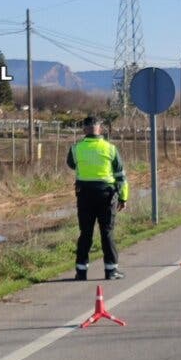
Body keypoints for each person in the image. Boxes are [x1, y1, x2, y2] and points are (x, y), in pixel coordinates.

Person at [67, 115, 129, 281]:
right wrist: (123, 198)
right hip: (107, 196)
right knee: (107, 232)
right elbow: (121, 176)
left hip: (85, 195)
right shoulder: (110, 149)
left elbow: (71, 164)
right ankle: (111, 271)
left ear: (84, 129)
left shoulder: (76, 149)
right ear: (100, 129)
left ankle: (81, 272)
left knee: (85, 233)